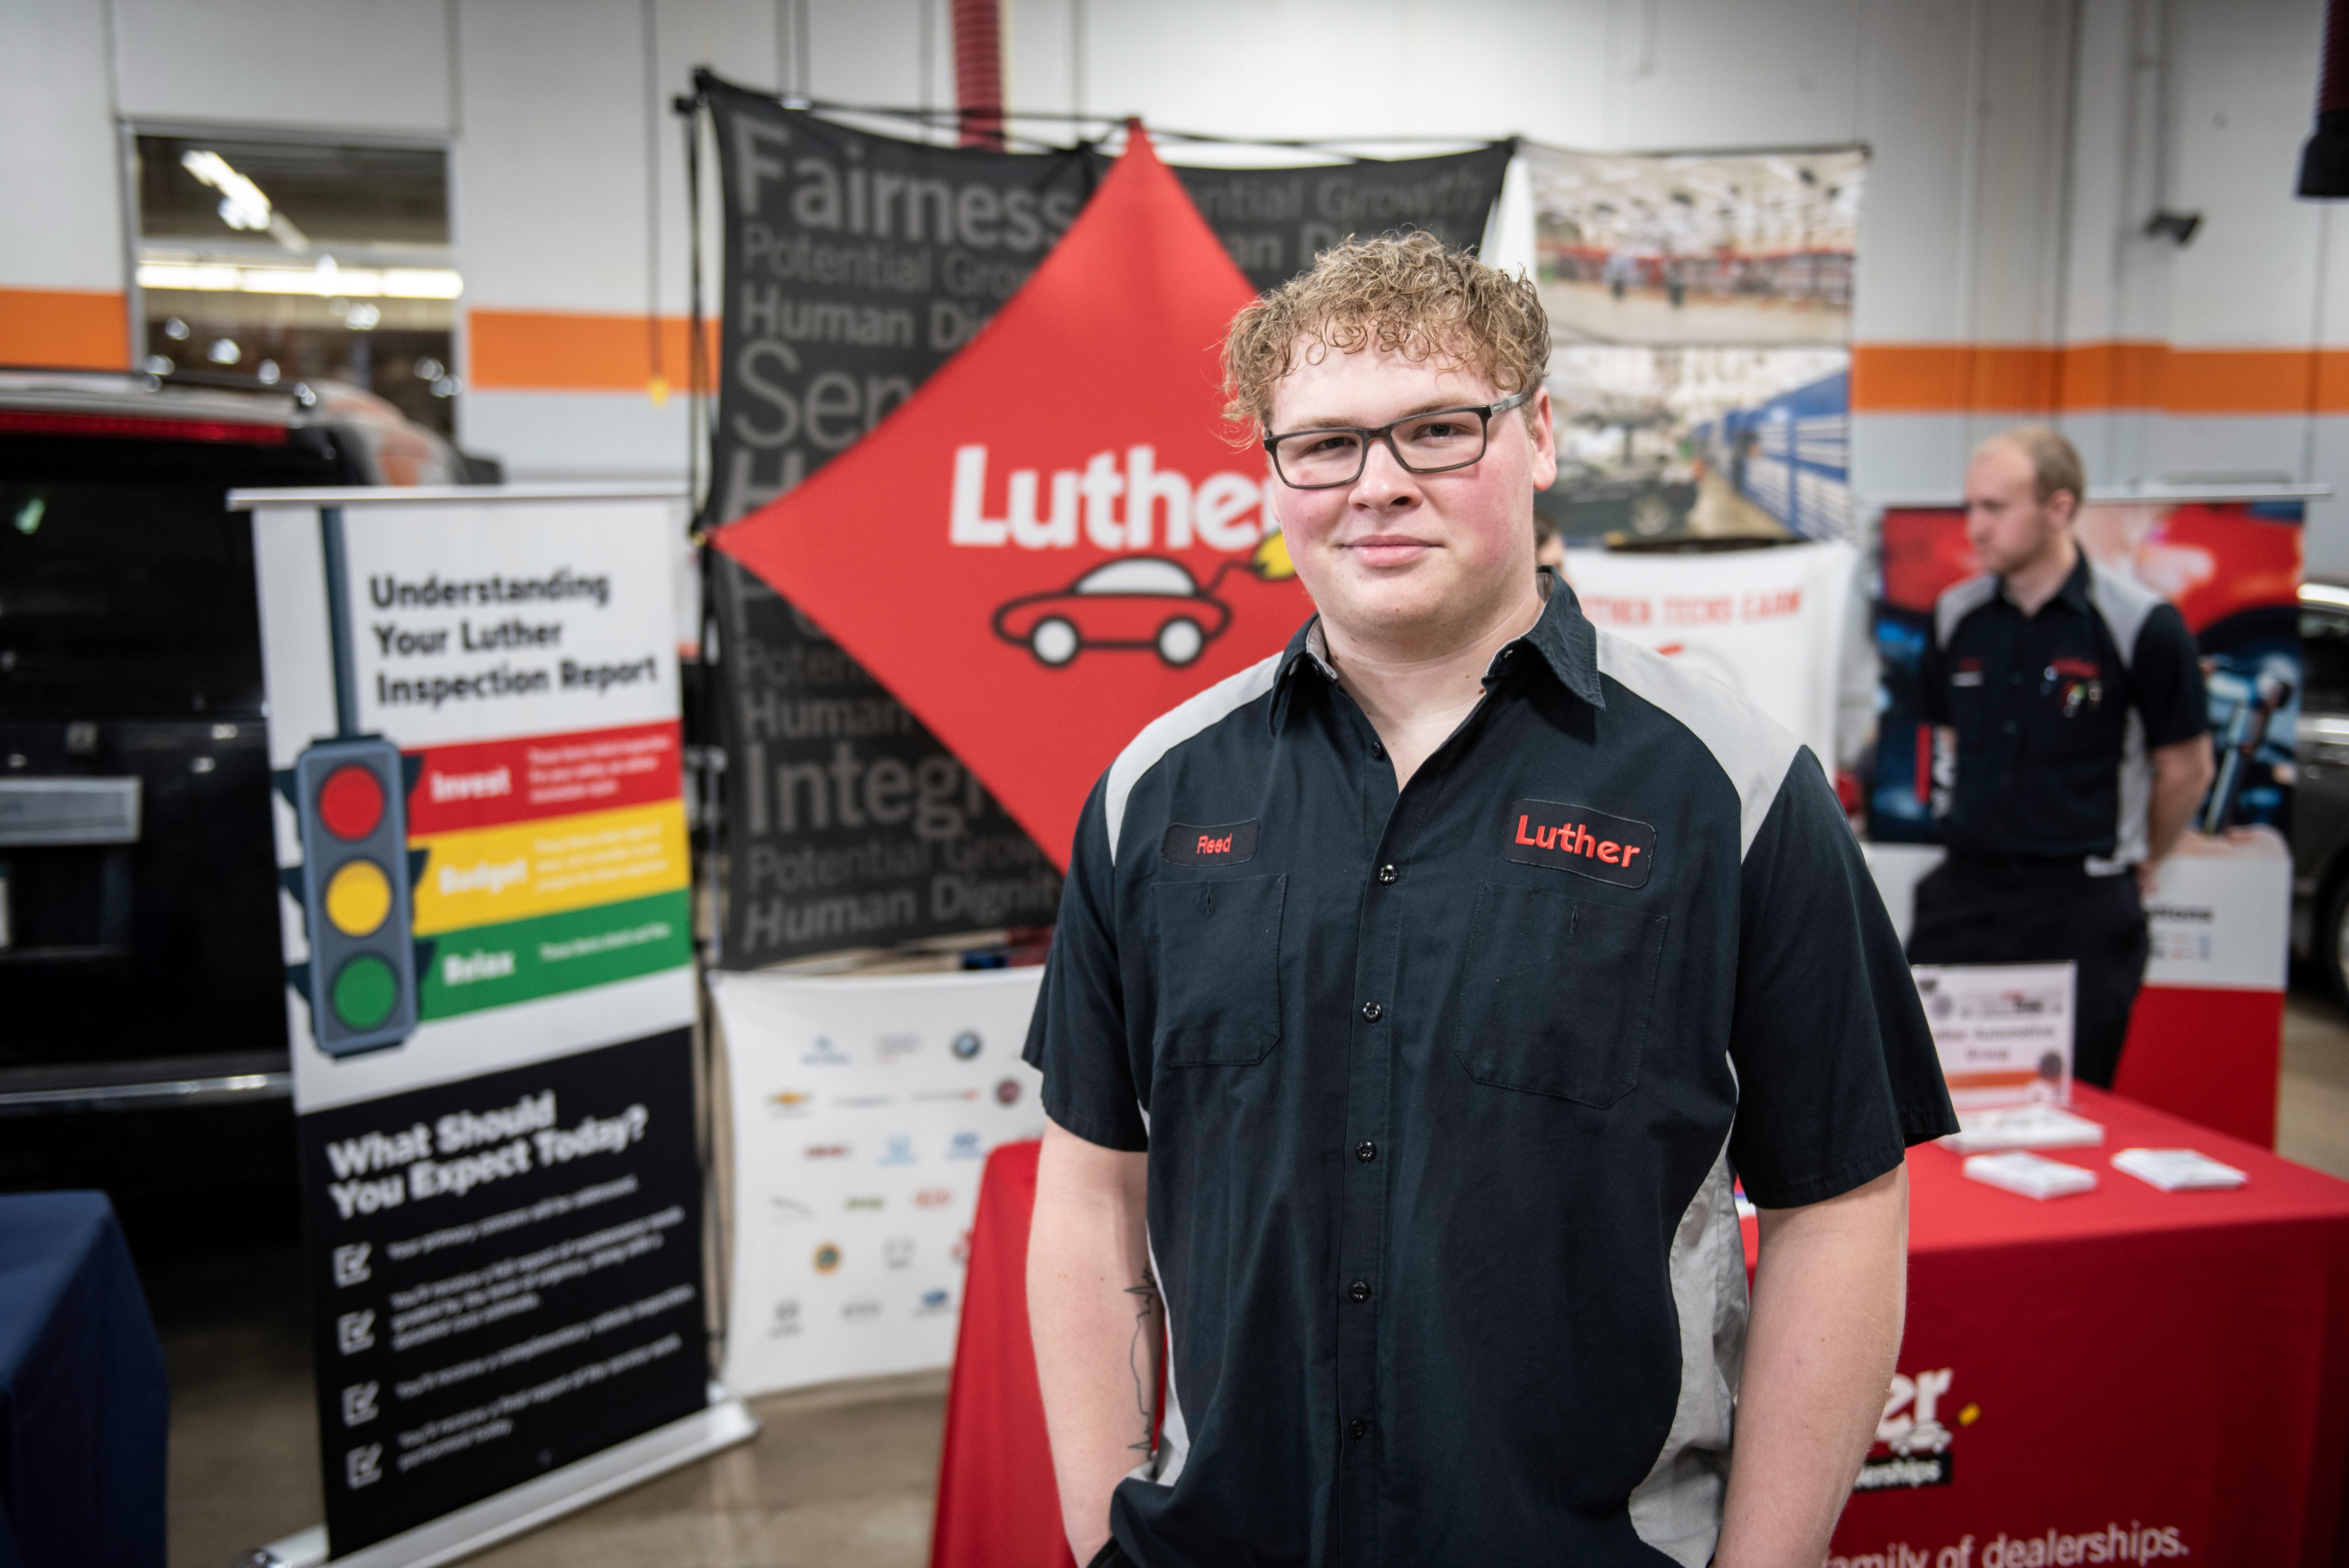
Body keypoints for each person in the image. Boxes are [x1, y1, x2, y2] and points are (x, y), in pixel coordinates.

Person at [1022, 233, 1955, 1568]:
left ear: (1539, 438)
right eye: (1325, 445)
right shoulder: (1150, 795)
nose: (1377, 485)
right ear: (1274, 473)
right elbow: (1093, 1184)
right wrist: (1102, 1521)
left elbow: (1838, 1201)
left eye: (1438, 430)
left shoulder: (1733, 786)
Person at [1908, 427, 2214, 1089]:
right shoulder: (1955, 617)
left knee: (2073, 1109)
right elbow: (1948, 745)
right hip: (1966, 897)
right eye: (1970, 508)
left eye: (1996, 508)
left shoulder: (2142, 625)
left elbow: (2188, 767)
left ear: (2060, 508)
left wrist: (2140, 858)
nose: (1976, 528)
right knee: (1929, 1106)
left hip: (2079, 905)